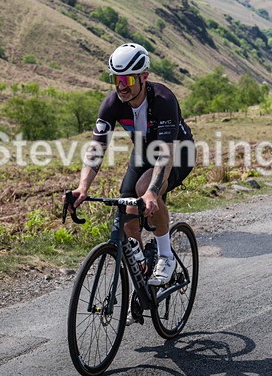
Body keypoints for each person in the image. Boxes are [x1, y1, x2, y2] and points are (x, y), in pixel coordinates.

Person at [70, 42, 195, 297]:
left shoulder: (163, 100)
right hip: (142, 151)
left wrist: (151, 192)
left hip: (177, 153)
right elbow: (97, 148)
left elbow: (165, 156)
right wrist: (83, 187)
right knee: (126, 209)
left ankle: (166, 256)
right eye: (116, 78)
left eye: (127, 78)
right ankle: (142, 274)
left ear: (144, 76)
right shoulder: (112, 103)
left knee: (143, 190)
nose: (121, 86)